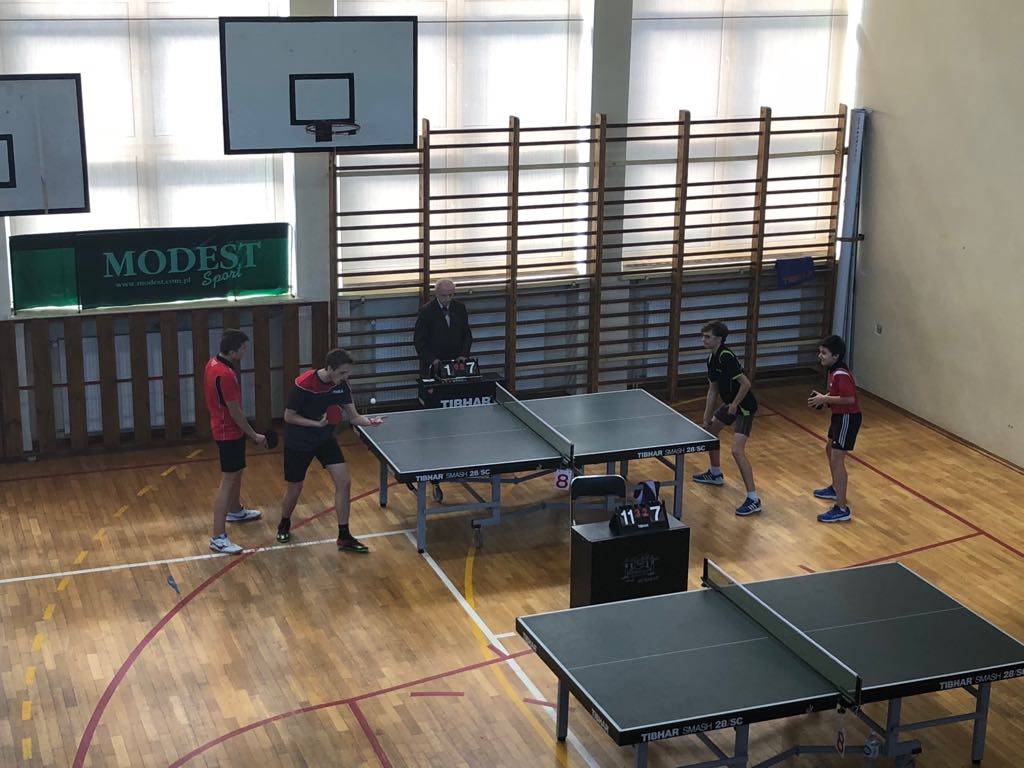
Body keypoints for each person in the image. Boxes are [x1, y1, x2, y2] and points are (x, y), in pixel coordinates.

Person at [275, 348, 385, 552]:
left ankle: (344, 536)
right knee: (295, 488)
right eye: (342, 372)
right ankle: (284, 523)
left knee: (344, 482)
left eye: (348, 373)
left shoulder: (341, 386)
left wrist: (370, 421)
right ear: (329, 368)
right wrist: (315, 424)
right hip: (299, 440)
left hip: (324, 438)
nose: (346, 377)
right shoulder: (304, 384)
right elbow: (289, 416)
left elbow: (354, 417)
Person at [204, 329, 266, 555]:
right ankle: (218, 537)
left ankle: (235, 510)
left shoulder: (212, 363)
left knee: (237, 471)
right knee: (228, 480)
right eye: (243, 348)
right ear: (232, 351)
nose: (245, 351)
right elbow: (235, 412)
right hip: (227, 432)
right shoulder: (226, 375)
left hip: (226, 429)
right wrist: (254, 435)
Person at [691, 321, 762, 516]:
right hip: (730, 403)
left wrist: (735, 404)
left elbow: (746, 384)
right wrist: (706, 417)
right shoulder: (711, 359)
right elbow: (713, 390)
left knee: (737, 451)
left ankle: (754, 499)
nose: (703, 340)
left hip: (744, 407)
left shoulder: (726, 356)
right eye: (703, 336)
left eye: (708, 337)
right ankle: (715, 473)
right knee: (710, 434)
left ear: (719, 339)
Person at [808, 334, 861, 523]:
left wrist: (825, 399)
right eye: (820, 352)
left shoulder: (840, 374)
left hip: (848, 418)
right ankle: (835, 488)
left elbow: (849, 399)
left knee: (838, 459)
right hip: (839, 416)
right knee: (829, 449)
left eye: (824, 353)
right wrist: (824, 398)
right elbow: (836, 394)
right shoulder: (833, 371)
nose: (820, 356)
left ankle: (842, 508)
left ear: (835, 356)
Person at [413, 278, 473, 376]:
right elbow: (419, 340)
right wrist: (432, 360)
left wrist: (463, 355)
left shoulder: (460, 308)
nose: (447, 299)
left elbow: (467, 335)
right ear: (436, 293)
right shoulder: (426, 311)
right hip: (435, 364)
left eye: (450, 295)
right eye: (444, 296)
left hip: (457, 363)